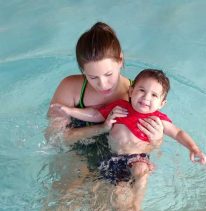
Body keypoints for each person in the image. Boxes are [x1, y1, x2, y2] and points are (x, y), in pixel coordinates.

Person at [51, 69, 206, 211]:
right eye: (141, 90)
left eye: (154, 95)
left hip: (137, 158)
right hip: (111, 158)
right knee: (113, 192)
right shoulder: (119, 107)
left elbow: (178, 133)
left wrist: (194, 148)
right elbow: (94, 114)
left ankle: (136, 205)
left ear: (162, 103)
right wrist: (70, 110)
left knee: (141, 170)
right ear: (131, 91)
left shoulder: (158, 120)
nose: (146, 97)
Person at [46, 22, 164, 150]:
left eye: (108, 74)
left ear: (120, 60)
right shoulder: (70, 88)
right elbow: (54, 137)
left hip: (120, 152)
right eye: (93, 77)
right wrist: (101, 128)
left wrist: (156, 140)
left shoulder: (139, 94)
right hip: (78, 149)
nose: (102, 85)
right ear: (83, 71)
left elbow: (146, 147)